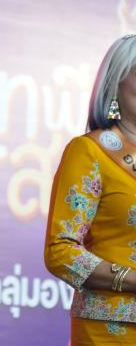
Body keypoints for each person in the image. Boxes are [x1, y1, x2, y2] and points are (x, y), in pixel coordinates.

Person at [45, 34, 136, 345]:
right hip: (109, 329)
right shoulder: (89, 152)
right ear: (116, 82)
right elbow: (60, 252)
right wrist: (130, 279)